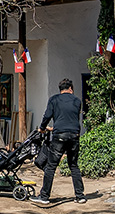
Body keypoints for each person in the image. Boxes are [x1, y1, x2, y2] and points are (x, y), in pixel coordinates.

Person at [30, 77, 86, 207]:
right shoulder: (77, 101)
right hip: (74, 135)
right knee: (74, 166)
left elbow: (47, 115)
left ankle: (44, 197)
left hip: (59, 136)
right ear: (71, 89)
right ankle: (80, 196)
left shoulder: (54, 100)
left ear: (60, 89)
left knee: (51, 166)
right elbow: (71, 118)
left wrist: (43, 128)